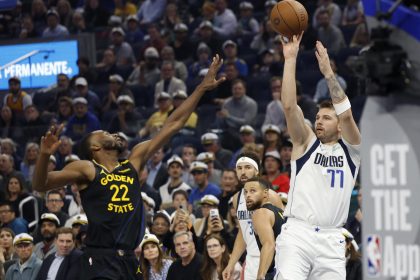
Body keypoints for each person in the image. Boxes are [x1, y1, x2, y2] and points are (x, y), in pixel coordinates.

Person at [32, 55, 225, 279]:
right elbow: (40, 184)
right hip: (100, 258)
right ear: (94, 147)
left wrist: (201, 88)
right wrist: (45, 155)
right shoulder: (87, 168)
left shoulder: (133, 162)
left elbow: (174, 123)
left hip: (130, 259)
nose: (113, 134)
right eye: (105, 133)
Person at [274, 35, 361, 280]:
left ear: (339, 126)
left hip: (332, 239)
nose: (318, 121)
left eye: (326, 118)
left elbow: (346, 114)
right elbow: (290, 107)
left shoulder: (352, 151)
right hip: (298, 233)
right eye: (318, 117)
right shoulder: (306, 142)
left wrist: (328, 73)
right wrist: (290, 59)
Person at [223, 152, 283, 280]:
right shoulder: (237, 198)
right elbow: (242, 233)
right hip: (251, 259)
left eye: (247, 167)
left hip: (272, 259)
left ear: (256, 171)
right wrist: (231, 263)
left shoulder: (270, 195)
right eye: (239, 168)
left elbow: (285, 228)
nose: (243, 172)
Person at [244, 177, 285, 280]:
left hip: (276, 272)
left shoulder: (261, 213)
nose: (248, 195)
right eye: (245, 192)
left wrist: (260, 275)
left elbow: (269, 244)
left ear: (266, 193)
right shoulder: (281, 212)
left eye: (253, 190)